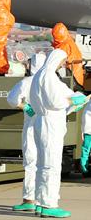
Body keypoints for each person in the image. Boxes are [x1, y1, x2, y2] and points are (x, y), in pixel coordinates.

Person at [30, 49, 87, 218]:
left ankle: (40, 203)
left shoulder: (40, 76)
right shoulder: (48, 77)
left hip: (44, 121)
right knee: (52, 166)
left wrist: (74, 103)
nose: (63, 64)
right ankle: (49, 204)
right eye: (63, 61)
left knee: (42, 165)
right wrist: (73, 100)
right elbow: (55, 101)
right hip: (51, 123)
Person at [7, 53, 46, 211]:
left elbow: (11, 99)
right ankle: (44, 200)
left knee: (31, 162)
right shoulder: (50, 82)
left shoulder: (27, 82)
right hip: (47, 125)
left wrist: (25, 107)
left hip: (31, 125)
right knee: (45, 162)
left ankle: (29, 200)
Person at [52, 23, 84, 90]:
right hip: (76, 74)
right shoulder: (69, 41)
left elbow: (58, 60)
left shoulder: (64, 45)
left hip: (72, 75)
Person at [80, 98, 91, 174]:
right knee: (86, 150)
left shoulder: (87, 105)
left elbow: (83, 119)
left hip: (87, 131)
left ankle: (84, 168)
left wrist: (83, 131)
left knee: (85, 150)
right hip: (88, 131)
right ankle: (84, 168)